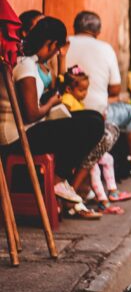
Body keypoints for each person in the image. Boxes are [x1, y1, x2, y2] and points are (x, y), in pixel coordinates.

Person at [0, 17, 105, 219]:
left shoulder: (28, 61)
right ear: (50, 44)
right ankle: (59, 179)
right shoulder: (26, 67)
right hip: (17, 137)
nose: (54, 54)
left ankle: (60, 179)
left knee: (93, 118)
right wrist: (51, 104)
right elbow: (31, 113)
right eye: (56, 50)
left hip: (29, 129)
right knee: (91, 124)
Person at [67, 11, 131, 176]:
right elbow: (115, 89)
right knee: (130, 112)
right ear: (97, 32)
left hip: (66, 110)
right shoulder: (105, 48)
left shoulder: (64, 43)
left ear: (75, 27)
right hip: (95, 115)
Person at [60, 67, 131, 214]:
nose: (85, 94)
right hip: (79, 144)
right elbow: (66, 118)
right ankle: (102, 200)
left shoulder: (77, 101)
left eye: (86, 90)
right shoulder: (68, 100)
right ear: (68, 89)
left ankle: (112, 190)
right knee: (94, 168)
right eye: (81, 91)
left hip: (87, 143)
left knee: (108, 159)